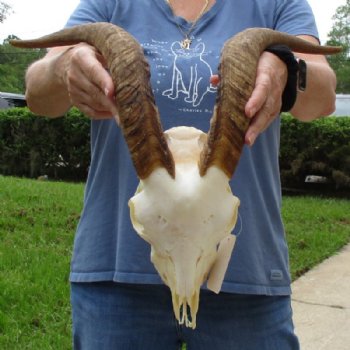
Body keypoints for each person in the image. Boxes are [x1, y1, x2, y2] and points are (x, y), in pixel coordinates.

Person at [24, 0, 337, 349]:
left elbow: (323, 96)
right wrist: (63, 67)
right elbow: (38, 95)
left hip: (245, 279)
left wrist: (288, 69)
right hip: (117, 280)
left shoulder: (278, 4)